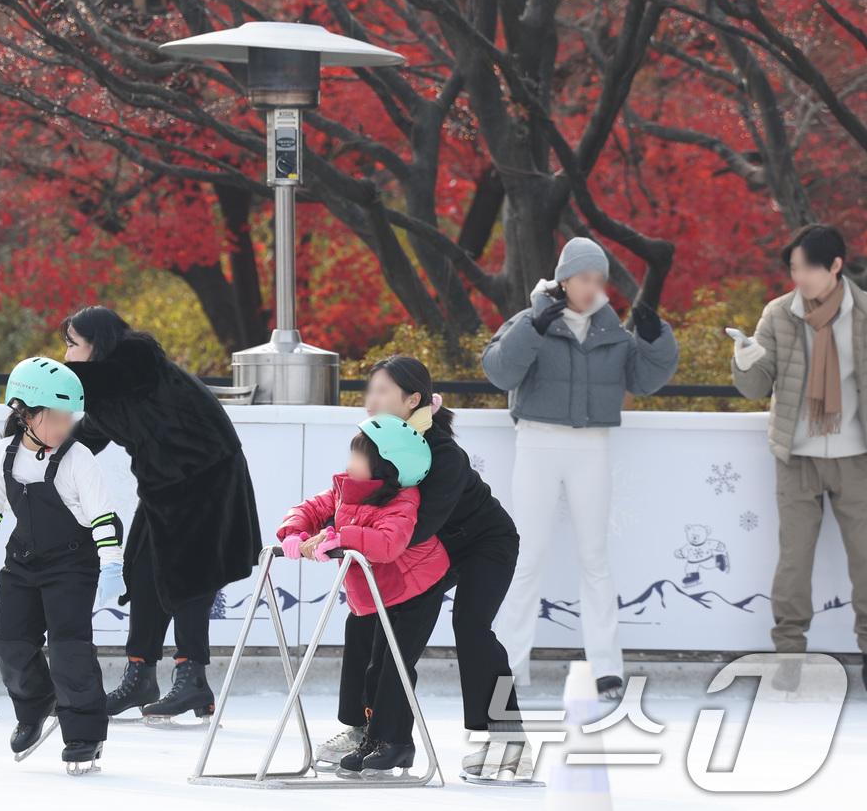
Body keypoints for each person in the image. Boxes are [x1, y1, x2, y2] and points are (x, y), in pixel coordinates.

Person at [483, 237, 679, 700]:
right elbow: (498, 371)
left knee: (594, 559)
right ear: (564, 278)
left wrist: (655, 338)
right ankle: (508, 664)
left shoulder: (612, 329)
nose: (592, 289)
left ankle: (607, 668)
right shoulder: (531, 318)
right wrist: (534, 326)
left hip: (591, 445)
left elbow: (647, 381)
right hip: (537, 440)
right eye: (584, 279)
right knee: (527, 555)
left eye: (599, 280)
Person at [61, 306, 262, 724]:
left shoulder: (137, 361)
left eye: (72, 344)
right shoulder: (109, 397)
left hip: (207, 477)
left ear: (98, 343)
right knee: (142, 572)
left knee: (189, 577)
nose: (66, 355)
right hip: (165, 489)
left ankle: (192, 678)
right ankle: (141, 675)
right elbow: (83, 440)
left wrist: (40, 379)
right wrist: (37, 450)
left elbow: (97, 381)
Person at [0, 357, 126, 774]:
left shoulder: (78, 458)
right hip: (23, 560)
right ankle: (35, 705)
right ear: (24, 413)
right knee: (9, 644)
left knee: (69, 650)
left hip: (73, 562)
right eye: (56, 417)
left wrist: (111, 564)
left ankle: (84, 733)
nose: (65, 426)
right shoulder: (1, 455)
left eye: (70, 417)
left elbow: (104, 517)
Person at [361, 356, 530, 780]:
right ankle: (390, 739)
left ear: (412, 399)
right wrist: (324, 530)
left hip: (484, 544)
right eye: (371, 390)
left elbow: (419, 526)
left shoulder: (444, 455)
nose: (371, 400)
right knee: (392, 627)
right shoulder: (377, 445)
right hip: (431, 552)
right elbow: (352, 498)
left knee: (472, 629)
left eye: (382, 391)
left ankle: (510, 740)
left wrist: (353, 537)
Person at [730, 224, 867, 691]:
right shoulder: (778, 314)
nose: (800, 277)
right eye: (793, 268)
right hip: (797, 457)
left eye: (809, 267)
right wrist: (746, 359)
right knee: (793, 561)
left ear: (834, 266)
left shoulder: (863, 314)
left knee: (866, 559)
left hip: (855, 457)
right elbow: (755, 386)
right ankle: (789, 656)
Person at [277, 414, 449, 776]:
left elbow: (388, 544)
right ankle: (372, 737)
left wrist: (342, 537)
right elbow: (310, 509)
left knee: (394, 667)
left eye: (358, 456)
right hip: (378, 595)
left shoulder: (402, 500)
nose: (349, 463)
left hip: (415, 589)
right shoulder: (346, 491)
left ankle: (396, 743)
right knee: (372, 670)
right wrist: (295, 534)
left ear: (383, 466)